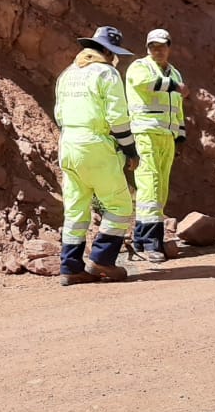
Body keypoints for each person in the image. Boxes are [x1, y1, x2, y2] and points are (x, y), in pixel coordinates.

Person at [54, 25, 139, 286]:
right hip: (96, 145)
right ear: (106, 51)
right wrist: (130, 150)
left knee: (76, 209)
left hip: (67, 144)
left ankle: (71, 267)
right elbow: (117, 118)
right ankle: (102, 259)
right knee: (119, 205)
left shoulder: (67, 74)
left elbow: (59, 114)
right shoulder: (107, 73)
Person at [125, 28, 190, 262]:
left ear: (169, 47)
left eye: (162, 46)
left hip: (166, 136)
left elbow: (177, 108)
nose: (157, 50)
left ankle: (142, 239)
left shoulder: (175, 73)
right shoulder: (140, 67)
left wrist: (180, 135)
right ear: (147, 48)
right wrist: (173, 86)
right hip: (145, 132)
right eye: (153, 46)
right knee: (149, 184)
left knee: (160, 188)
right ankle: (152, 243)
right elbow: (144, 83)